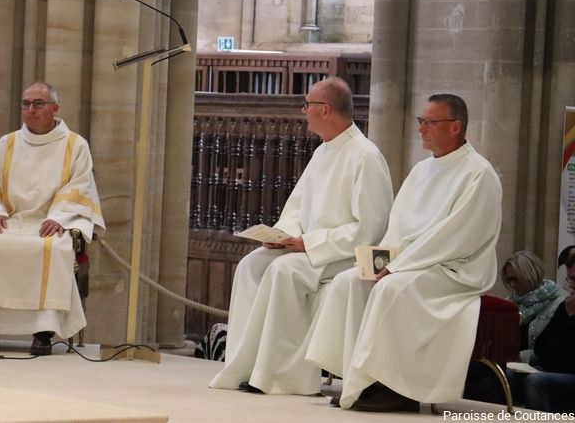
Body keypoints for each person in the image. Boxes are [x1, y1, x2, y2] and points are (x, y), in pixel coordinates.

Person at [305, 94, 503, 412]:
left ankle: (398, 388)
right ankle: (360, 381)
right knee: (350, 281)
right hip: (411, 263)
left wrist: (399, 267)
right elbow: (398, 225)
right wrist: (381, 261)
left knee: (391, 288)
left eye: (430, 122)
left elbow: (454, 237)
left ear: (455, 127)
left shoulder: (478, 174)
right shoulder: (422, 170)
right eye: (420, 121)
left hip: (453, 270)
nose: (421, 128)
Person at [209, 77, 393, 395]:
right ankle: (246, 365)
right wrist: (282, 236)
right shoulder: (323, 152)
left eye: (307, 104)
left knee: (284, 270)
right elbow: (297, 209)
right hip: (310, 249)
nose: (303, 110)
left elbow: (368, 229)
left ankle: (283, 377)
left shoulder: (365, 156)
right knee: (252, 265)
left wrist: (308, 243)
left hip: (345, 256)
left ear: (325, 110)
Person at [0, 82, 104, 356]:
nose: (31, 110)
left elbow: (80, 185)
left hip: (50, 222)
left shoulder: (75, 144)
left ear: (55, 108)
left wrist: (59, 217)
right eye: (26, 104)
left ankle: (43, 332)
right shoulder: (8, 143)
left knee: (52, 246)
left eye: (38, 104)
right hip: (9, 219)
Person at [507, 249, 575, 413]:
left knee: (536, 381)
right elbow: (542, 346)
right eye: (570, 279)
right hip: (550, 367)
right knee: (504, 375)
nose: (571, 285)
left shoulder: (559, 302)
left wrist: (570, 319)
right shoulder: (567, 306)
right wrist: (568, 315)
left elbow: (567, 355)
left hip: (564, 371)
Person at [503, 251, 568, 363]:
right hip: (509, 362)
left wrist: (520, 357)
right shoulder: (508, 304)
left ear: (531, 275)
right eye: (509, 280)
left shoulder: (559, 304)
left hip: (540, 365)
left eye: (516, 279)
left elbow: (557, 346)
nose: (512, 284)